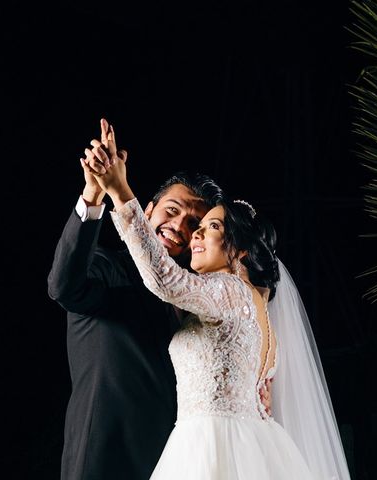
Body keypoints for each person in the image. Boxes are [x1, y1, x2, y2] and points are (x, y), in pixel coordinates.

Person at [90, 120, 352, 479]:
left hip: (208, 445)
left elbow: (165, 279)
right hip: (253, 445)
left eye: (211, 227)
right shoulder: (257, 308)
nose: (195, 232)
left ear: (241, 249)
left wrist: (120, 193)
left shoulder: (227, 291)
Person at [47, 119, 226, 480]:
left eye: (195, 223)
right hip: (104, 457)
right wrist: (93, 196)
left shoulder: (200, 298)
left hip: (176, 460)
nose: (179, 226)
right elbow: (63, 286)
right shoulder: (105, 268)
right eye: (172, 211)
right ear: (147, 211)